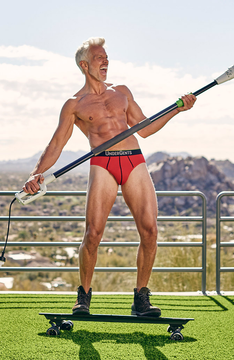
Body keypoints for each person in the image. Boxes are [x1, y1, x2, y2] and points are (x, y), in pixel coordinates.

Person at [23, 37, 196, 317]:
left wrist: (178, 108)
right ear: (84, 65)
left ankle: (141, 297)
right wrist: (36, 174)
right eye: (99, 57)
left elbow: (146, 129)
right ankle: (84, 297)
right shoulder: (74, 104)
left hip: (134, 161)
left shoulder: (122, 91)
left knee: (150, 231)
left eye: (106, 57)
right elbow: (56, 144)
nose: (106, 61)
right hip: (102, 164)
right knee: (92, 234)